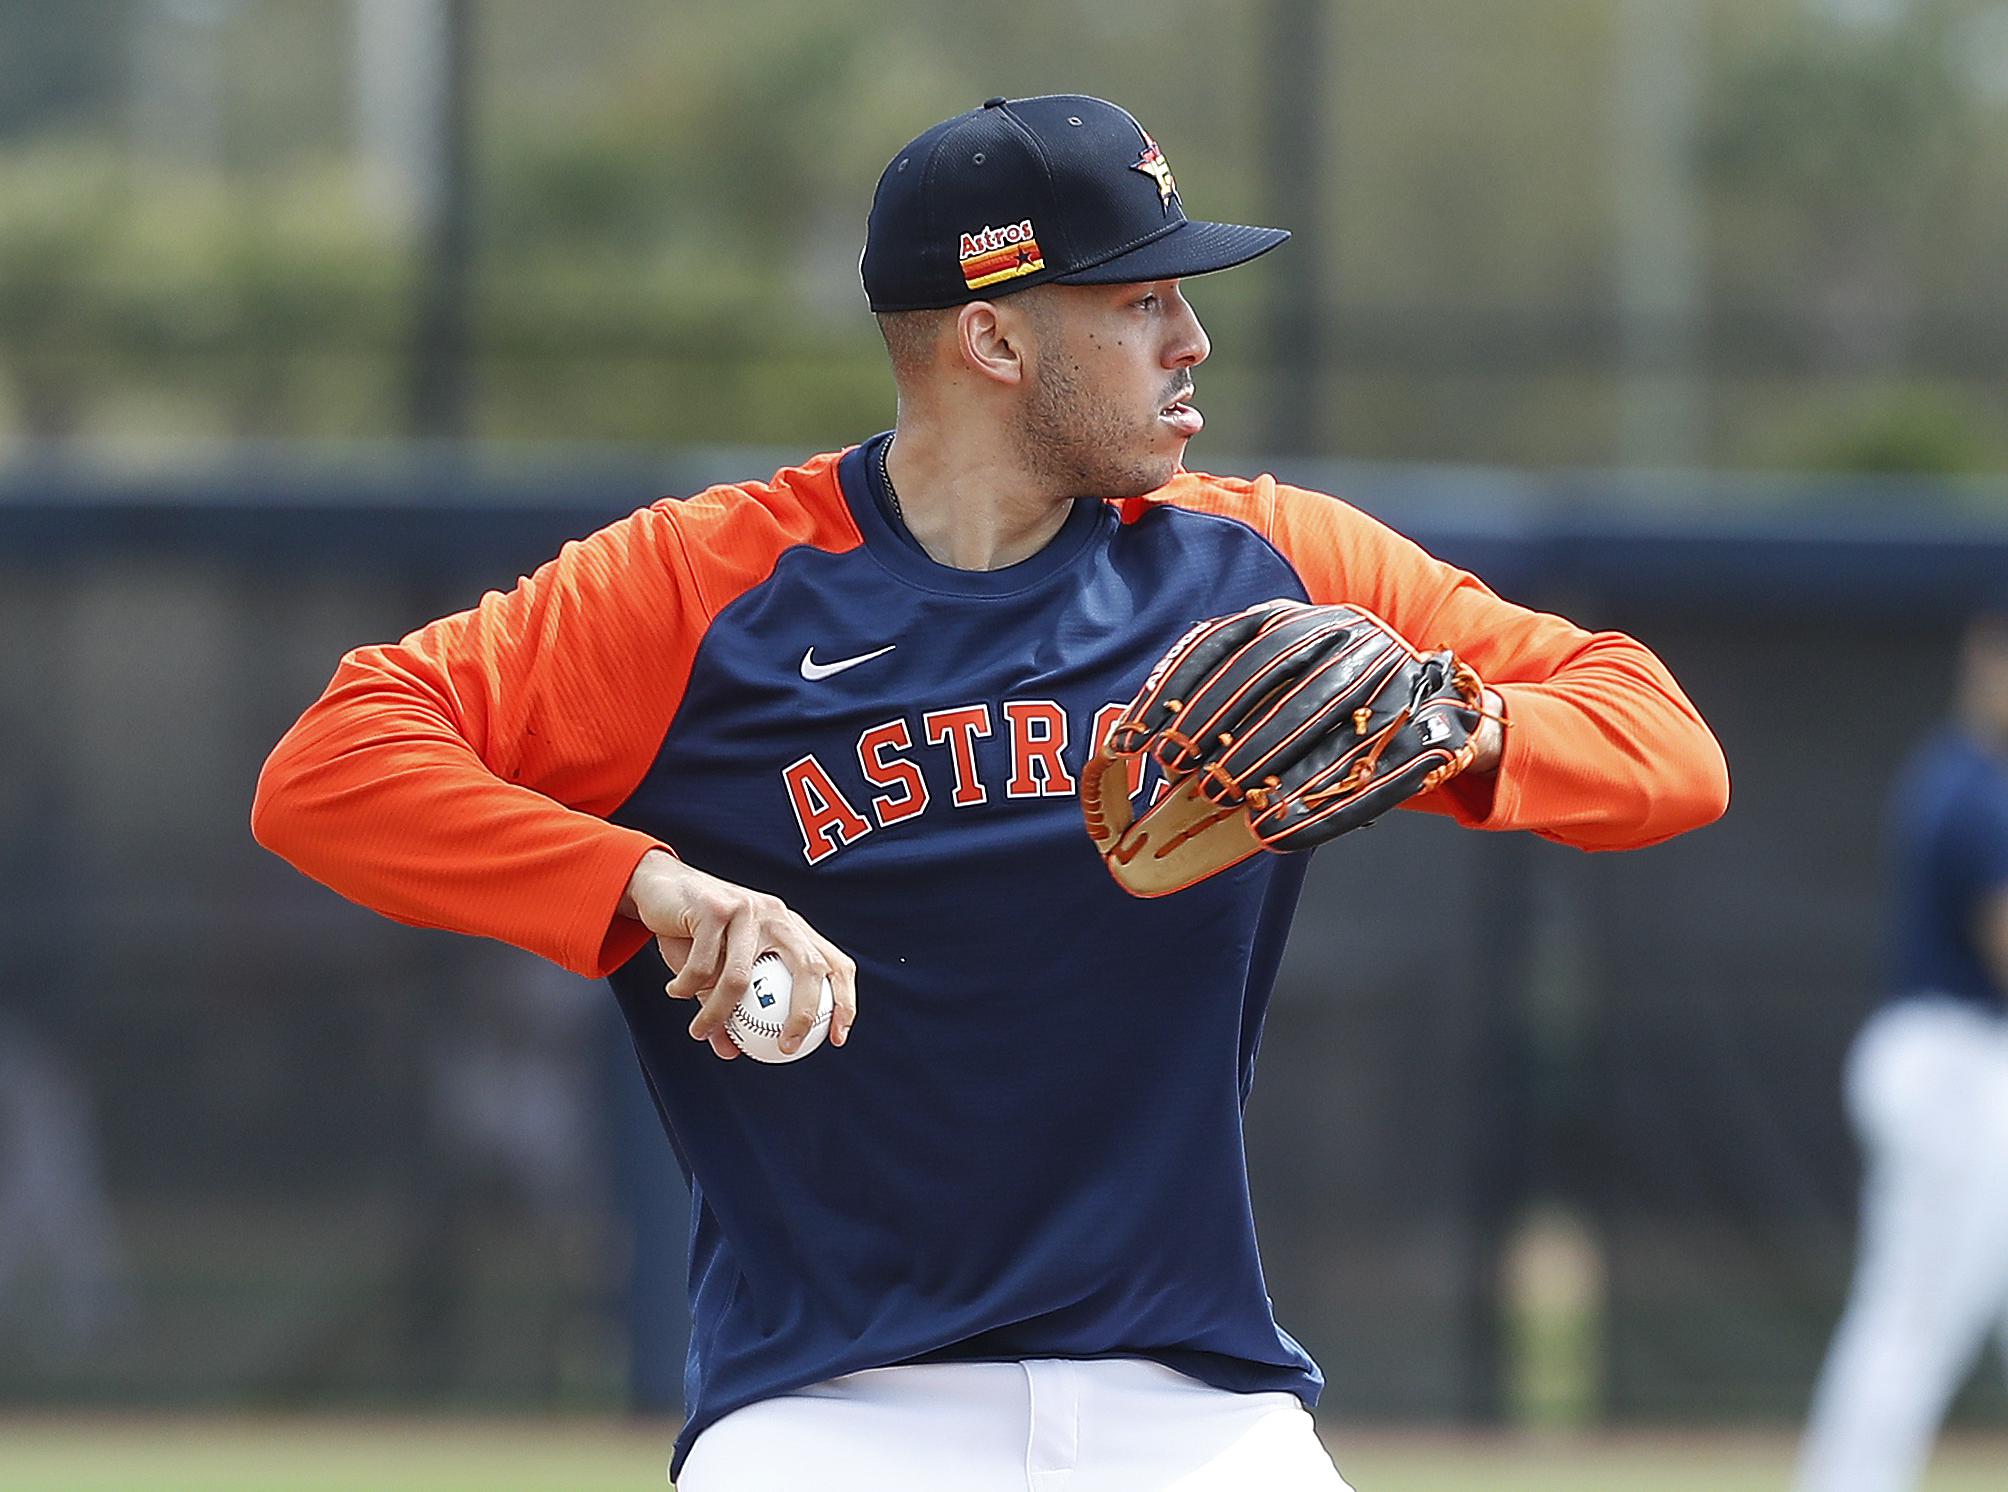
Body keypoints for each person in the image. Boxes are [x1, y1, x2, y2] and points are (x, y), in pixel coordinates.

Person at [252, 94, 1728, 1490]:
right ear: (994, 339)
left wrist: (1450, 723)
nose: (1193, 339)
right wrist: (648, 884)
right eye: (1141, 301)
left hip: (1193, 1408)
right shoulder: (703, 590)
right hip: (828, 1415)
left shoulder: (1268, 568)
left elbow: (1665, 745)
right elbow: (333, 764)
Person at [1794, 600, 2008, 1492]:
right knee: (1915, 1317)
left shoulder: (1963, 775)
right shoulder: (1976, 790)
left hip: (1956, 1061)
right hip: (1956, 1065)